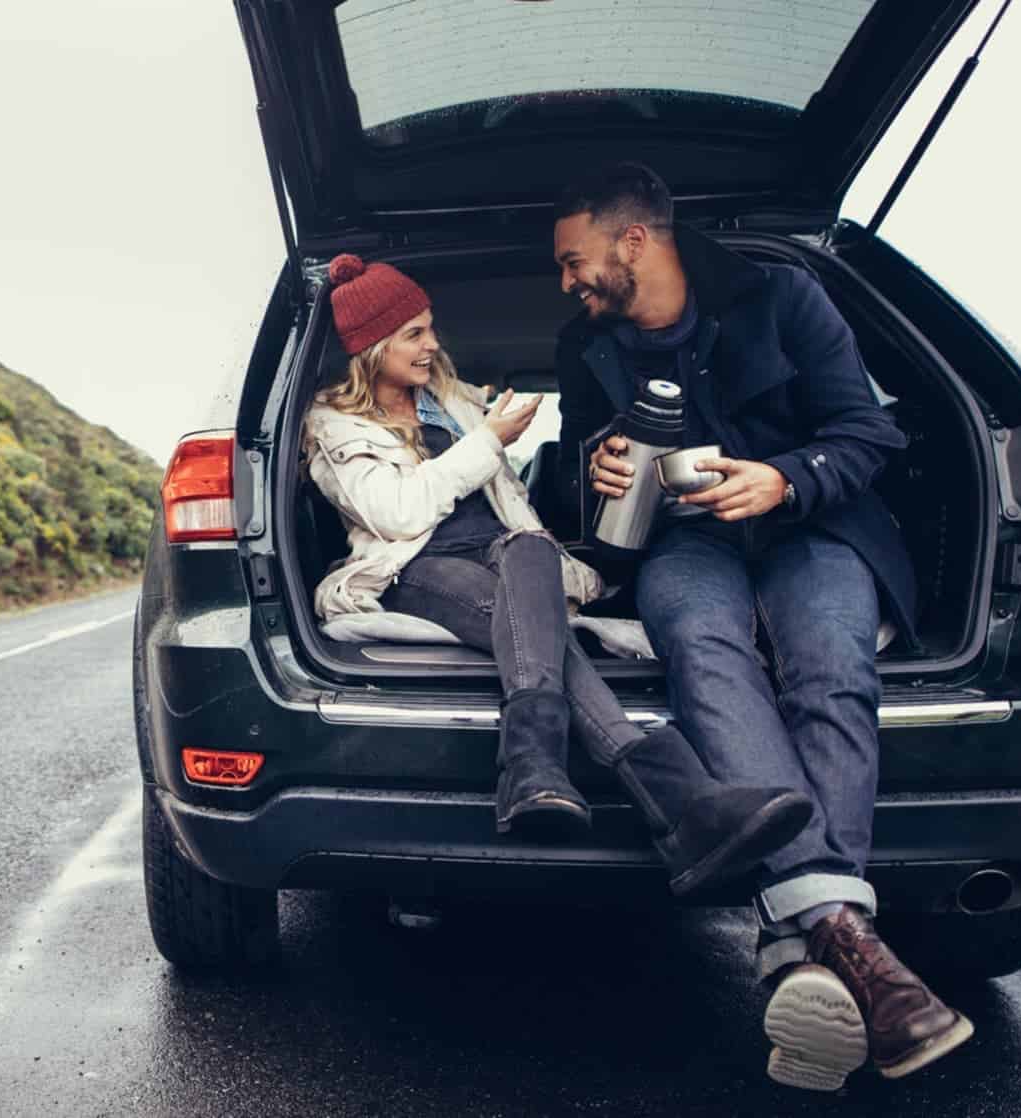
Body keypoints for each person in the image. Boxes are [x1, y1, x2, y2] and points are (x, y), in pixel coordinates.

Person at [551, 162, 972, 1089]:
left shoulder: (784, 296)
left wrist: (785, 478)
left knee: (830, 667)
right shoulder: (583, 347)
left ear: (634, 241)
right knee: (705, 652)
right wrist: (601, 470)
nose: (569, 282)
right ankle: (846, 944)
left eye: (575, 261)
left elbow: (867, 433)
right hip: (682, 545)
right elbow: (568, 482)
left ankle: (801, 942)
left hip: (814, 524)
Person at [302, 251, 811, 899]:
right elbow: (397, 516)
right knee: (546, 633)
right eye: (415, 334)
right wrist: (488, 440)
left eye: (432, 328)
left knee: (531, 555)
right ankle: (680, 804)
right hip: (415, 570)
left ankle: (536, 765)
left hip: (511, 561)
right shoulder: (333, 424)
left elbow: (517, 513)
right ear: (372, 347)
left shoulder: (452, 403)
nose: (433, 344)